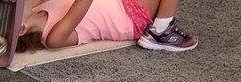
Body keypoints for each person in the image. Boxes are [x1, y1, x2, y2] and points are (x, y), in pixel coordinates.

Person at [19, 0, 198, 52]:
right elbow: (78, 9)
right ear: (22, 28)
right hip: (128, 18)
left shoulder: (38, 7)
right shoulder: (53, 38)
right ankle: (160, 31)